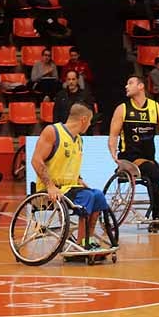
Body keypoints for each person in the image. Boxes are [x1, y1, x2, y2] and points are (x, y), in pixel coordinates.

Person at [31, 104, 107, 249]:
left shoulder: (79, 140)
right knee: (87, 197)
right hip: (51, 191)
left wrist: (79, 179)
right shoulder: (53, 131)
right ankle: (79, 244)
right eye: (90, 121)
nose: (90, 125)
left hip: (70, 188)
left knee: (98, 195)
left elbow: (68, 165)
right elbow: (36, 160)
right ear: (83, 119)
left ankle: (87, 240)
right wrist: (50, 186)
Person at [107, 75, 159, 232]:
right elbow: (113, 136)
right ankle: (158, 217)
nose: (126, 86)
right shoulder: (122, 109)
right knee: (153, 172)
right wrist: (113, 155)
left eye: (130, 83)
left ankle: (158, 215)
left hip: (149, 159)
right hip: (128, 158)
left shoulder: (157, 108)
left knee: (156, 174)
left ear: (141, 86)